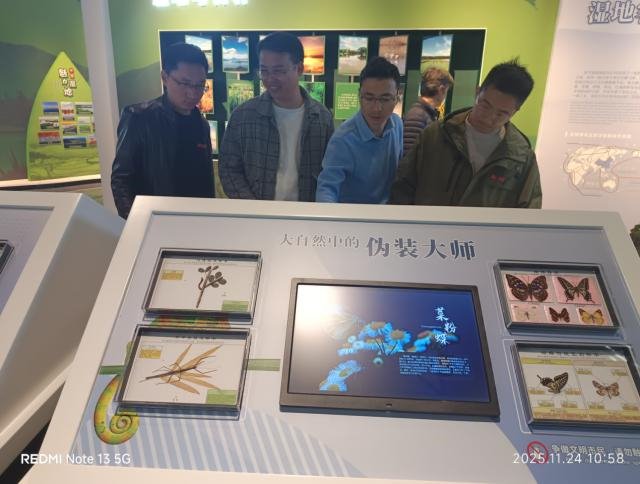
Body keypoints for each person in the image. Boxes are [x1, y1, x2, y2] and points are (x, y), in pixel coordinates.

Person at [390, 59, 542, 208]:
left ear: (515, 111)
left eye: (501, 114)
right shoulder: (436, 135)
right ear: (477, 92)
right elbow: (403, 188)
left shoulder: (521, 158)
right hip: (429, 225)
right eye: (485, 105)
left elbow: (528, 212)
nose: (489, 118)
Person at [219, 32, 333, 201]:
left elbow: (329, 172)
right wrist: (252, 207)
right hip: (257, 212)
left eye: (279, 71)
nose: (270, 79)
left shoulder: (322, 118)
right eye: (264, 71)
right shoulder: (242, 116)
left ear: (299, 69)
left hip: (305, 212)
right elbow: (229, 169)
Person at [111, 42, 214, 219]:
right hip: (154, 219)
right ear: (165, 77)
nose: (193, 93)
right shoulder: (139, 118)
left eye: (200, 85)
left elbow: (206, 180)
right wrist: (135, 222)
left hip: (195, 220)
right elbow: (121, 179)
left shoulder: (201, 124)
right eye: (184, 83)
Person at [316, 57, 403, 204]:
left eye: (385, 99)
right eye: (369, 98)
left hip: (387, 212)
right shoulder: (343, 139)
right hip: (352, 215)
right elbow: (327, 188)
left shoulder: (398, 125)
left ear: (396, 98)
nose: (377, 108)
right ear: (359, 96)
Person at [403, 67, 454, 154]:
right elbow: (409, 154)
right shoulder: (417, 115)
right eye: (446, 91)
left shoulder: (426, 113)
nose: (445, 96)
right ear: (441, 89)